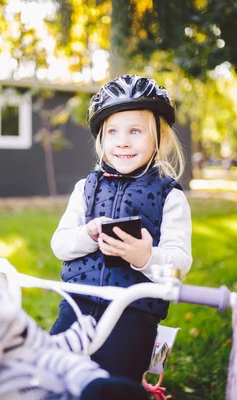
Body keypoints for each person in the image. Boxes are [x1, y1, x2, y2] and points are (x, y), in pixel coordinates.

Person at [49, 74, 193, 383]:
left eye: (135, 131)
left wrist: (145, 256)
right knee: (53, 371)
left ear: (159, 137)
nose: (122, 141)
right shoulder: (85, 188)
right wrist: (87, 234)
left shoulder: (170, 196)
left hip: (134, 310)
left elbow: (179, 262)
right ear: (101, 137)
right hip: (79, 301)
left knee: (115, 382)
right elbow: (59, 244)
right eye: (112, 131)